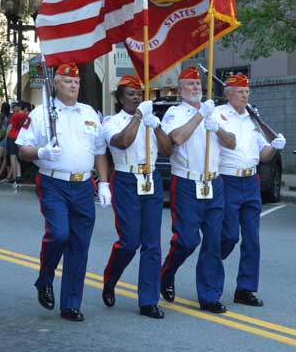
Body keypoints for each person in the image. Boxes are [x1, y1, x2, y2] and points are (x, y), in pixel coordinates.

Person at [17, 63, 110, 322]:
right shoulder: (40, 113)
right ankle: (45, 278)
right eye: (67, 81)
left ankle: (71, 304)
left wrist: (104, 183)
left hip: (82, 185)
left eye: (76, 82)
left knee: (79, 246)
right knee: (59, 235)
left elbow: (100, 151)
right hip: (53, 183)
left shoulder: (90, 113)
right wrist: (41, 152)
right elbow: (23, 150)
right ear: (55, 84)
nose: (73, 85)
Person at [159, 67, 235, 315]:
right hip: (187, 183)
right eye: (190, 84)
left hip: (213, 183)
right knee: (187, 240)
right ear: (180, 89)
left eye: (197, 83)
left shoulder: (214, 111)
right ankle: (167, 272)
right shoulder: (175, 113)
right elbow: (177, 139)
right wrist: (199, 116)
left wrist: (217, 127)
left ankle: (210, 295)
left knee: (214, 241)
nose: (196, 87)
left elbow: (232, 143)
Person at [100, 75, 172, 319]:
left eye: (139, 93)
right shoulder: (112, 121)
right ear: (120, 98)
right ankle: (110, 279)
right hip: (126, 179)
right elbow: (122, 142)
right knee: (130, 241)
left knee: (152, 243)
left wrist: (156, 125)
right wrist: (139, 117)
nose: (137, 97)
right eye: (131, 94)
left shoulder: (150, 119)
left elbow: (168, 149)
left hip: (151, 179)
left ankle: (148, 301)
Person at [216, 74, 285, 308]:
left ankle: (245, 289)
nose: (246, 94)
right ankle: (211, 267)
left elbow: (263, 154)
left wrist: (274, 147)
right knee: (228, 236)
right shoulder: (219, 114)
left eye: (247, 91)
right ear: (228, 93)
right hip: (227, 180)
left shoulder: (253, 119)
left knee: (252, 240)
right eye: (240, 91)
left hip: (251, 181)